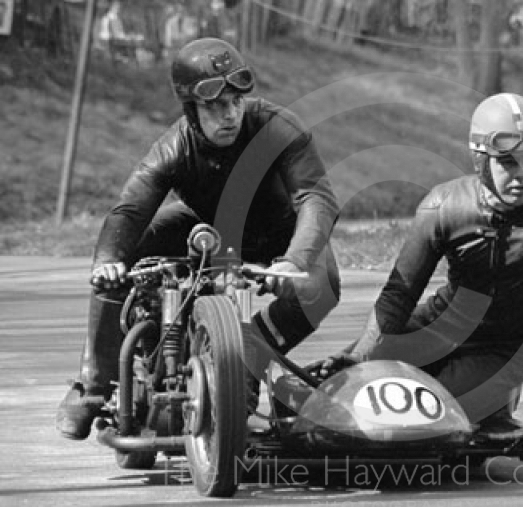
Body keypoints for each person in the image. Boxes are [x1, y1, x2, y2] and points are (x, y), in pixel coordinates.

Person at [56, 37, 340, 440]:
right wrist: (109, 259)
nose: (230, 115)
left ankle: (245, 359)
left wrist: (296, 259)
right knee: (122, 257)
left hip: (282, 233)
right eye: (215, 106)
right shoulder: (172, 148)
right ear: (191, 109)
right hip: (210, 227)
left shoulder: (278, 128)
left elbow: (316, 197)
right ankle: (94, 386)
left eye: (236, 102)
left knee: (322, 284)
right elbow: (129, 210)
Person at [317, 93, 523, 438]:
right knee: (329, 392)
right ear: (481, 162)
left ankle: (494, 406)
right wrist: (362, 355)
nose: (521, 174)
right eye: (507, 162)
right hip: (437, 325)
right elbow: (399, 294)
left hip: (503, 349)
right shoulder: (444, 205)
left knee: (424, 415)